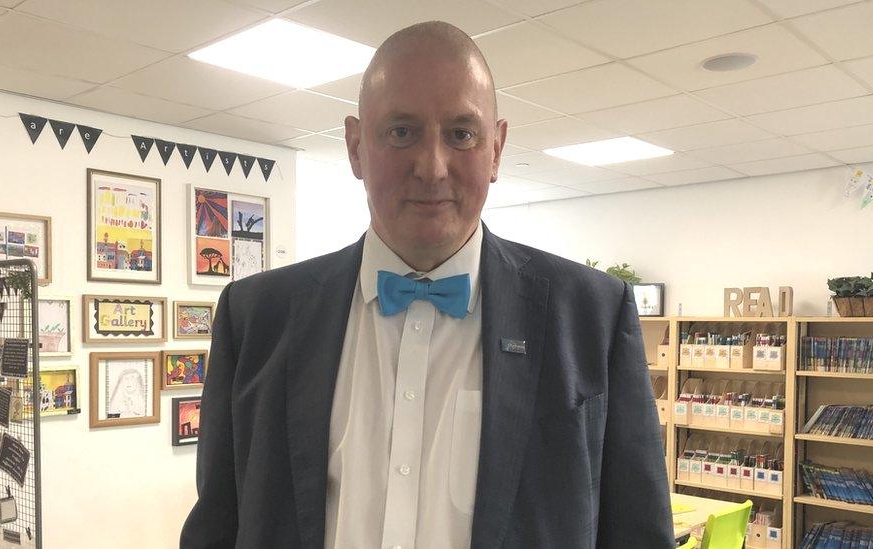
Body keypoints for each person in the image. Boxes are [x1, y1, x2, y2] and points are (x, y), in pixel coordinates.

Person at [181, 20, 673, 549]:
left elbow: (638, 534)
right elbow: (217, 527)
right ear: (354, 147)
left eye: (461, 134)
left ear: (497, 148)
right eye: (401, 131)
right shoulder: (258, 316)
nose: (433, 167)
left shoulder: (591, 317)